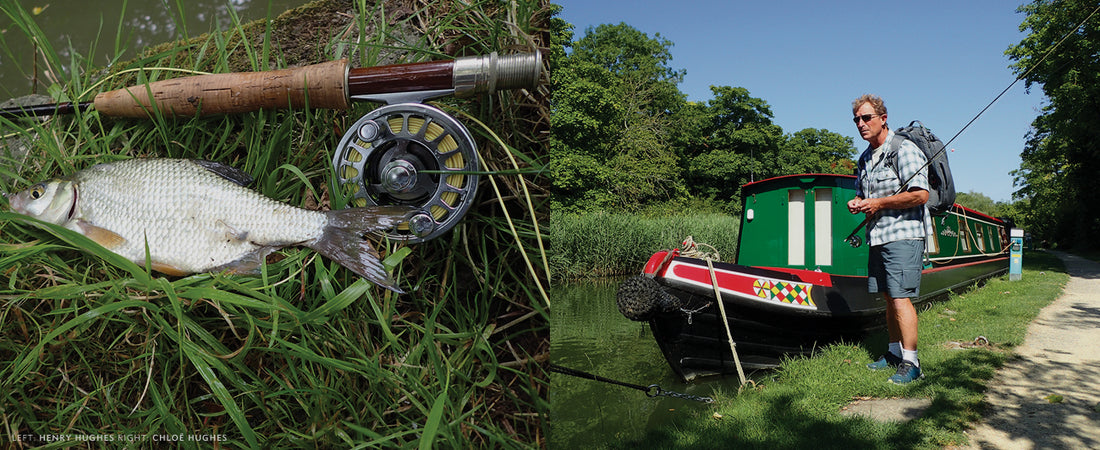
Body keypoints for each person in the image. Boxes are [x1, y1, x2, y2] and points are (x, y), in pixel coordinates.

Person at [846, 94, 933, 384]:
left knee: (900, 298)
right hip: (878, 236)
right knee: (888, 297)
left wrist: (879, 204)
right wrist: (858, 202)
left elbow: (921, 194)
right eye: (857, 119)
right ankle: (894, 353)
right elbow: (864, 194)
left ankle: (912, 362)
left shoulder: (903, 150)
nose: (861, 123)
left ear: (883, 118)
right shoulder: (865, 158)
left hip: (904, 235)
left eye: (866, 117)